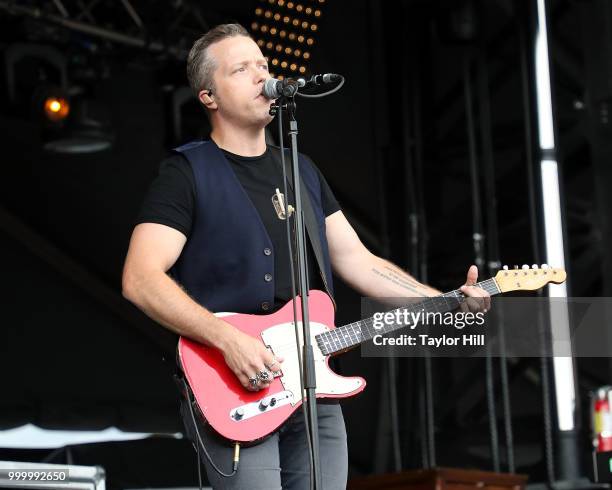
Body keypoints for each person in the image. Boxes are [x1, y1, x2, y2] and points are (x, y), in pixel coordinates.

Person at [121, 23, 491, 490]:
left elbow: (358, 260)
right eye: (242, 69)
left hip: (314, 389)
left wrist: (447, 299)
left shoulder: (303, 171)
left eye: (264, 66)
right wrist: (228, 339)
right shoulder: (186, 173)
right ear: (209, 96)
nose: (262, 76)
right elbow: (140, 278)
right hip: (235, 382)